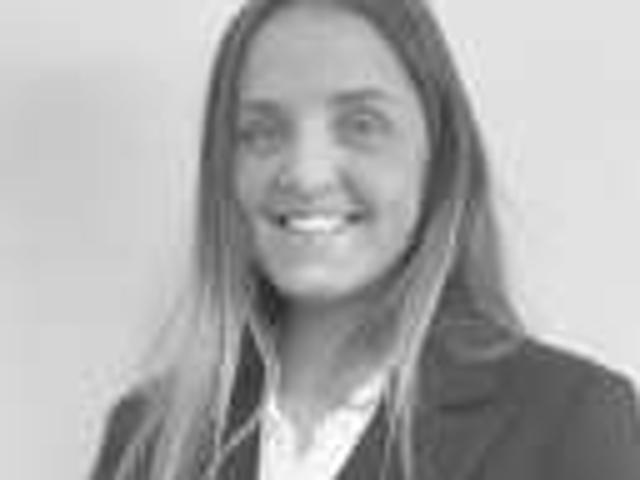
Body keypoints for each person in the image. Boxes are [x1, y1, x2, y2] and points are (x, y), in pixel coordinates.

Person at [90, 0, 640, 479]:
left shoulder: (570, 421)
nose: (306, 175)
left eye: (361, 125)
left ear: (440, 157)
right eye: (262, 132)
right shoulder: (148, 435)